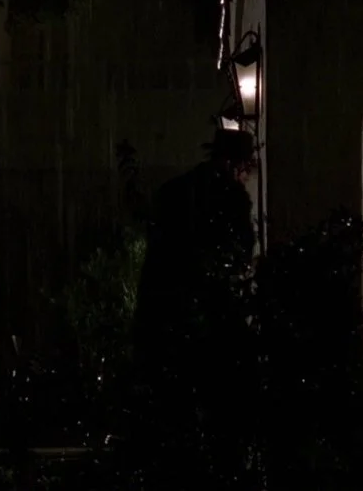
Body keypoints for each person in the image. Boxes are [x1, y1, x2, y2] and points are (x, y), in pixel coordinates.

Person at [131, 128, 259, 486]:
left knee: (173, 424)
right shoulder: (227, 198)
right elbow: (235, 255)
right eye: (246, 168)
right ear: (235, 165)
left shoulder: (176, 191)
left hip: (164, 320)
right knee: (219, 424)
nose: (247, 176)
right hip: (204, 323)